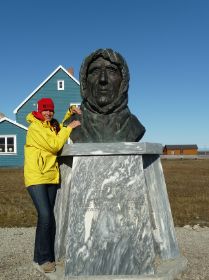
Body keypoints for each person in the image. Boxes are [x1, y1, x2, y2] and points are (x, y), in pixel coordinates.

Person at [24, 98, 81, 273]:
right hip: (36, 177)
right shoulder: (35, 128)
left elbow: (59, 125)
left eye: (51, 110)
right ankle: (44, 259)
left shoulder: (50, 125)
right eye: (45, 110)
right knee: (47, 216)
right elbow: (54, 144)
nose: (48, 113)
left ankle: (38, 255)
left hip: (50, 176)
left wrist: (71, 111)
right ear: (39, 111)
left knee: (46, 219)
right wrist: (69, 128)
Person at [64, 48, 145, 142]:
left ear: (123, 81)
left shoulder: (134, 126)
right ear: (84, 81)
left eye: (111, 70)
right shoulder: (73, 123)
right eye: (95, 71)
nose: (103, 79)